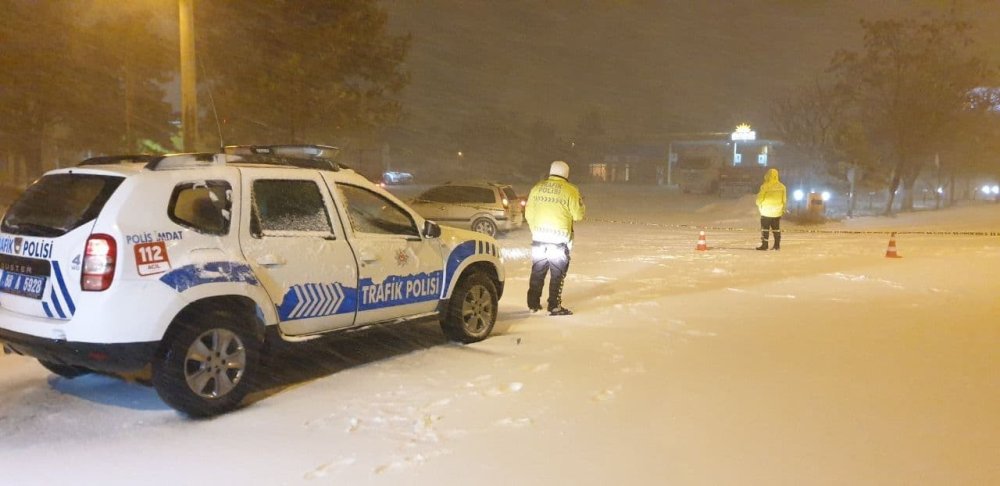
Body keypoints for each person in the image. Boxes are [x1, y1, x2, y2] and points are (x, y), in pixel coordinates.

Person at [525, 160, 585, 316]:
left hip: (538, 239)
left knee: (537, 273)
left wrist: (535, 231)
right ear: (566, 173)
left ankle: (533, 304)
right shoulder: (571, 190)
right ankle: (554, 306)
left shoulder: (537, 188)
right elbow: (578, 215)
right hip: (558, 241)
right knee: (557, 274)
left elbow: (528, 214)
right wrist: (581, 203)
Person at [755, 168, 787, 250]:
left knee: (765, 229)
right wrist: (782, 208)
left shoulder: (765, 186)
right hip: (777, 212)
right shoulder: (782, 187)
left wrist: (759, 204)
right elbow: (784, 200)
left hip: (766, 212)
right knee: (776, 229)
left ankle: (765, 245)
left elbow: (760, 198)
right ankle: (777, 245)